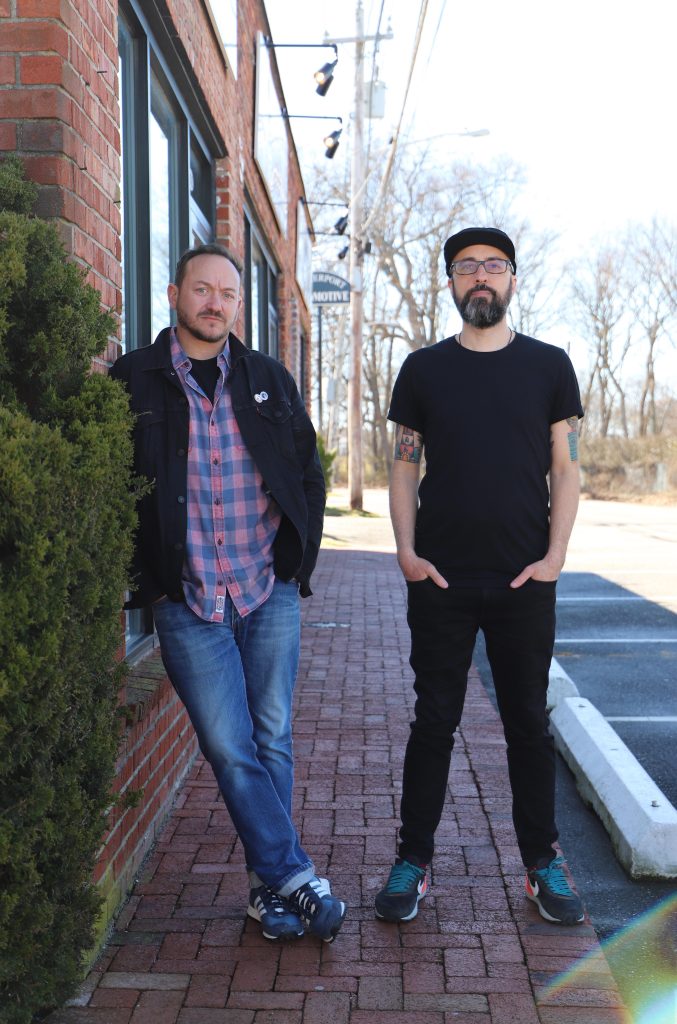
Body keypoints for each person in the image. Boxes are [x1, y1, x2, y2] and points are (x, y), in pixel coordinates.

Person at [111, 242, 346, 943]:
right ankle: (296, 876)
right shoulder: (134, 379)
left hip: (265, 590)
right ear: (175, 295)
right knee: (229, 744)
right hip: (187, 601)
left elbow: (307, 473)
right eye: (202, 289)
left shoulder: (267, 378)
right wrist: (148, 578)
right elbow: (114, 489)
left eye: (228, 293)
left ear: (238, 305)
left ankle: (269, 891)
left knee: (271, 739)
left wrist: (296, 562)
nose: (215, 303)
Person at [375, 226, 585, 927]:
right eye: (466, 267)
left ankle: (542, 864)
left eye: (493, 265)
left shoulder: (549, 366)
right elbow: (402, 466)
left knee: (527, 723)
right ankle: (413, 861)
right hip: (440, 580)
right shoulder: (423, 369)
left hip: (526, 579)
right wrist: (406, 553)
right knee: (434, 722)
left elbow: (567, 467)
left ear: (513, 279)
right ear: (450, 283)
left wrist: (554, 558)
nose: (480, 277)